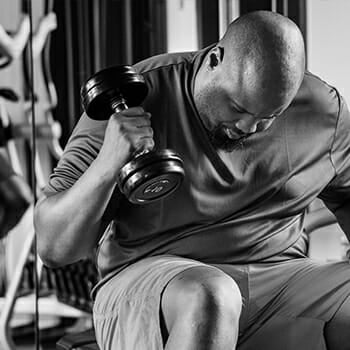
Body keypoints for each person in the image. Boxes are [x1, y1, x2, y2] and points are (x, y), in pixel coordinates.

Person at [34, 10, 350, 350]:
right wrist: (108, 163)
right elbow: (54, 248)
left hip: (279, 279)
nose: (247, 128)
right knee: (211, 294)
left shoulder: (322, 112)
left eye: (267, 118)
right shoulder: (137, 98)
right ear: (214, 59)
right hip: (156, 279)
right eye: (237, 107)